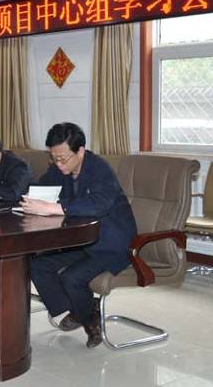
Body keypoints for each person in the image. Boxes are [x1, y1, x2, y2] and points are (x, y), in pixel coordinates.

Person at [21, 122, 137, 348]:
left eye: (63, 158)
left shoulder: (99, 169)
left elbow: (100, 204)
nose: (59, 164)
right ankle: (77, 311)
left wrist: (55, 208)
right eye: (54, 158)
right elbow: (41, 187)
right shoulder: (59, 168)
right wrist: (27, 198)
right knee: (36, 264)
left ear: (81, 151)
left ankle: (88, 318)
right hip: (79, 240)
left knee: (72, 278)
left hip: (110, 243)